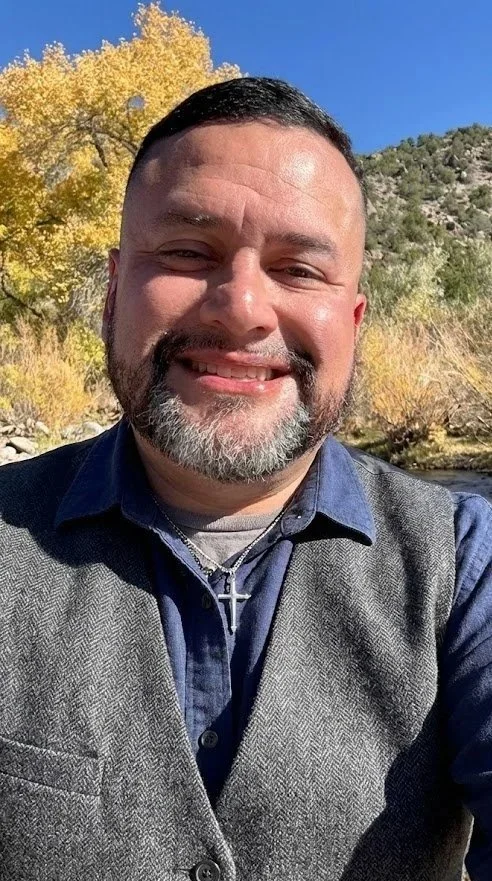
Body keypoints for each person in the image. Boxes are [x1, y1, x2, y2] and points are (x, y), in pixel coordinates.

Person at [0, 77, 490, 881]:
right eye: (189, 253)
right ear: (115, 290)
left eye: (299, 269)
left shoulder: (467, 566)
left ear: (353, 323)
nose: (242, 309)